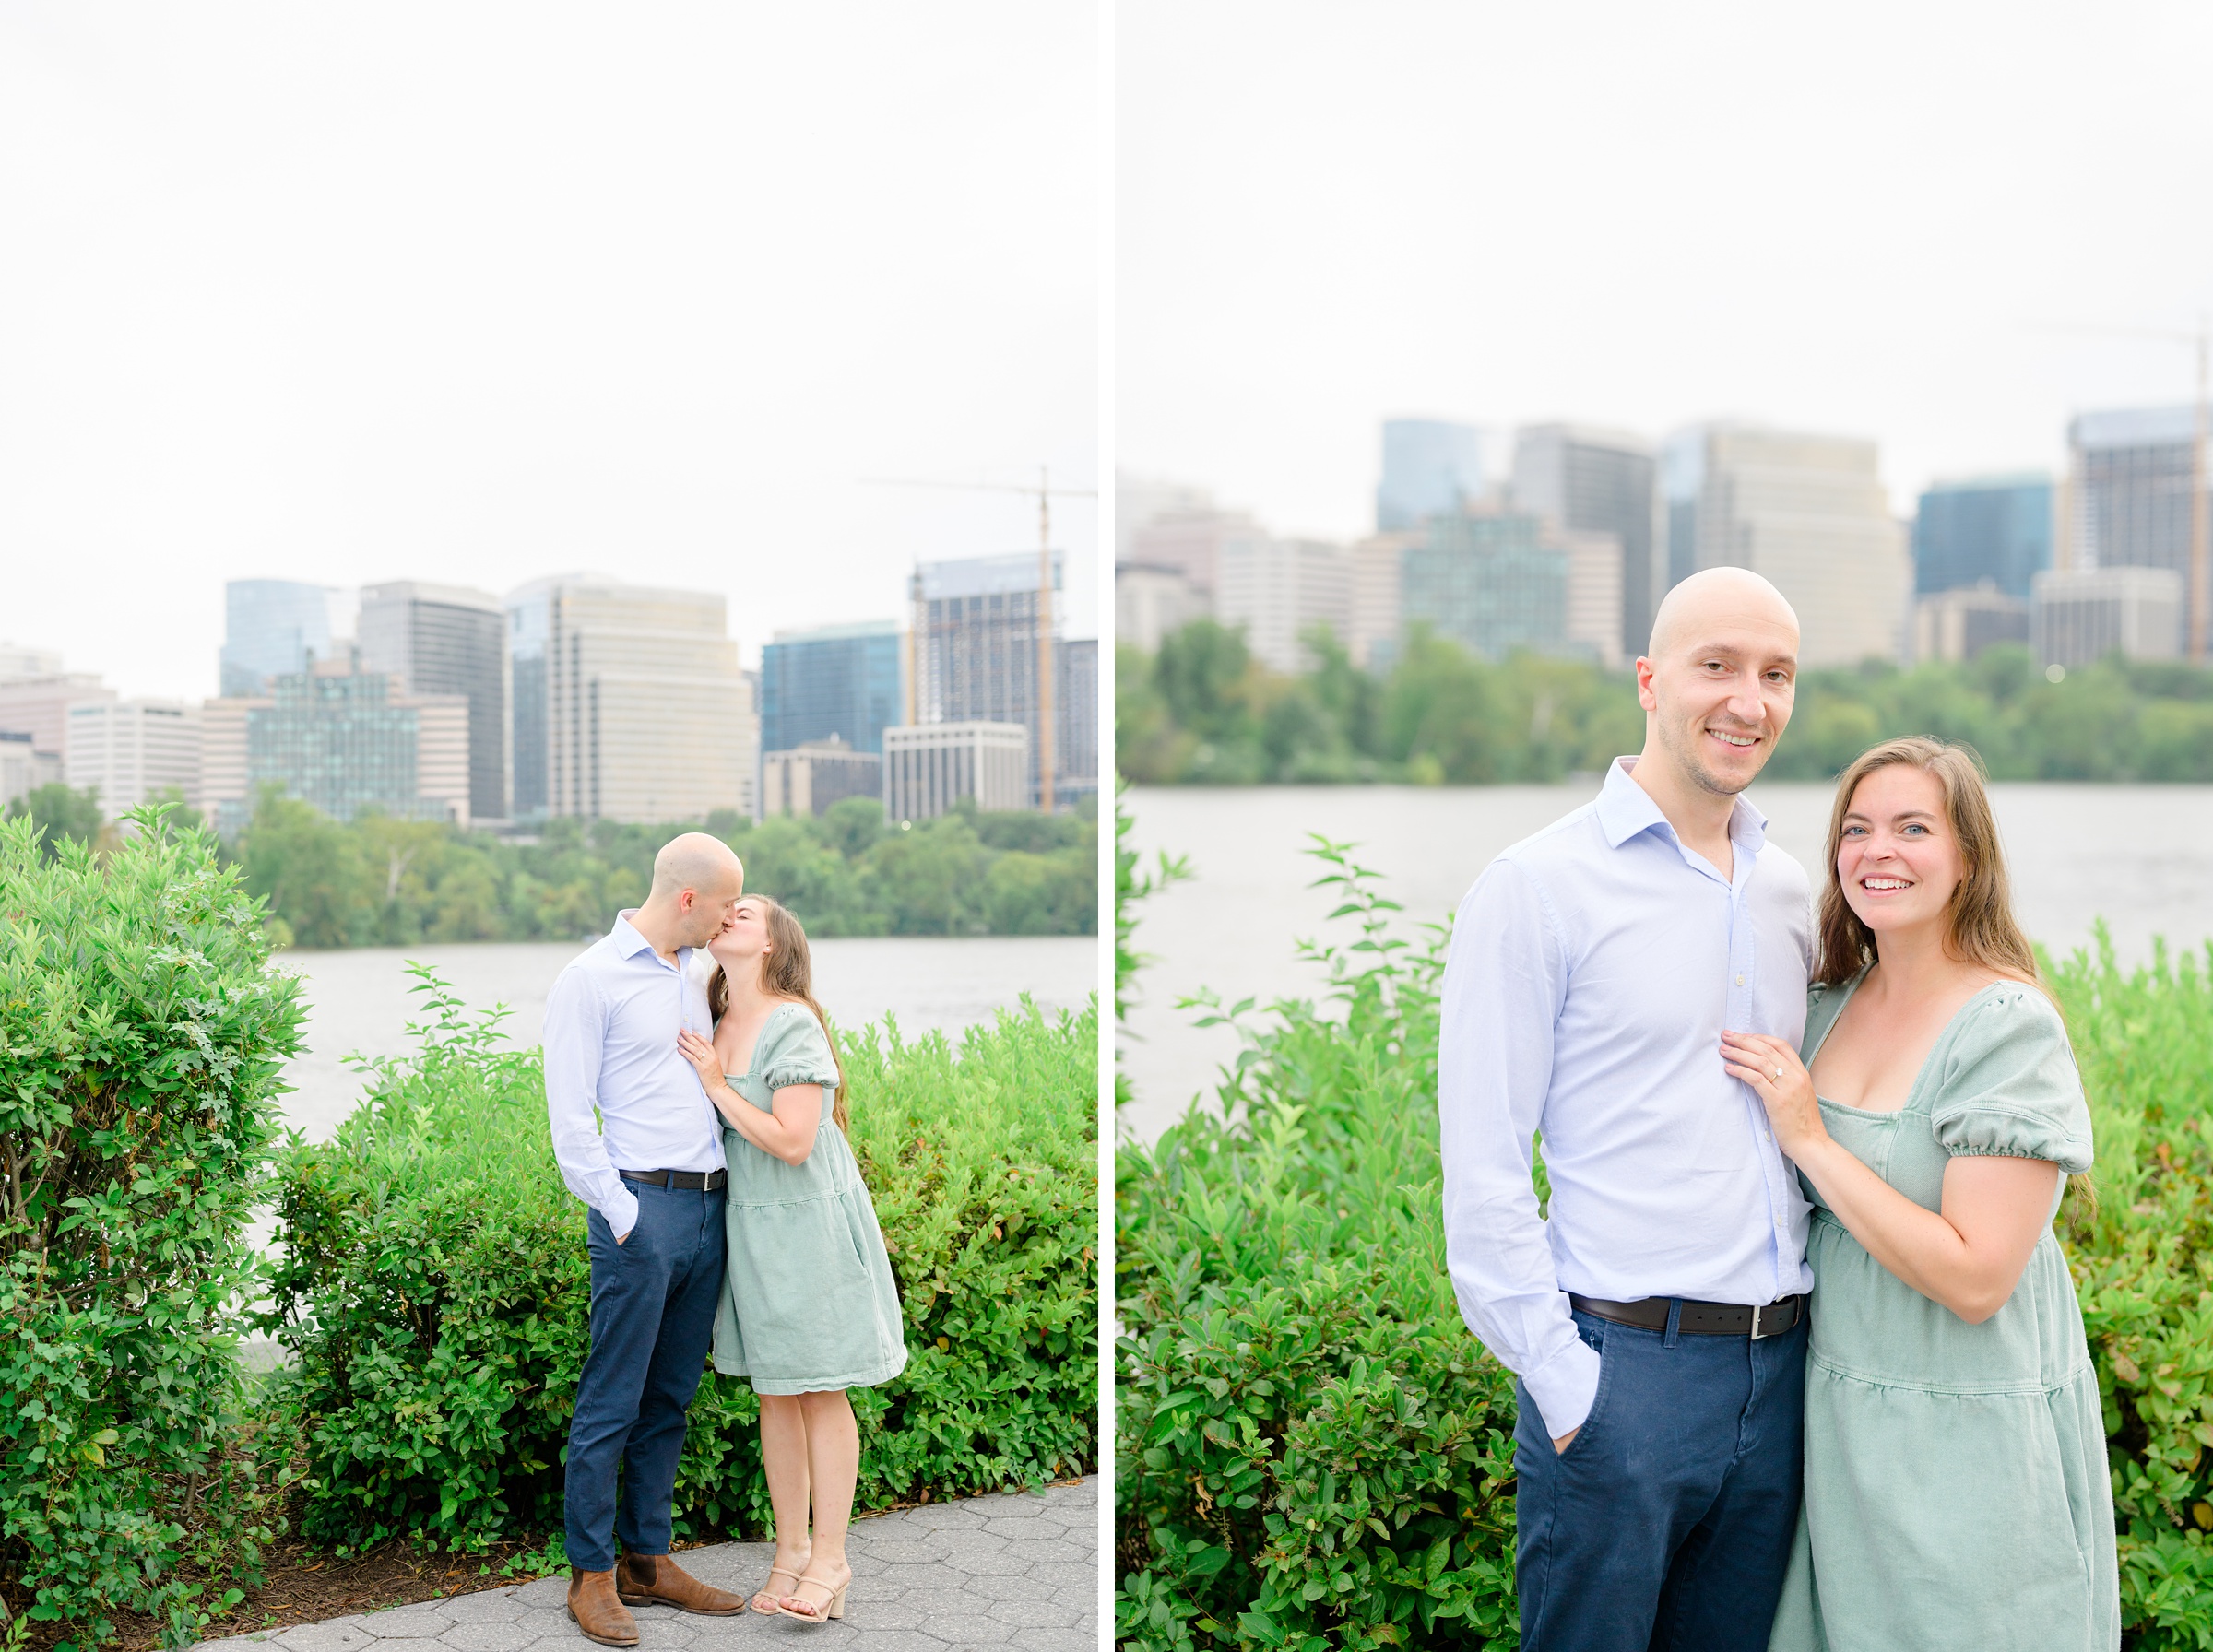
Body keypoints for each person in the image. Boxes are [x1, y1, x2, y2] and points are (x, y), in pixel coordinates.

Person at [1438, 566, 1814, 1651]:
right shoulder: (1537, 885)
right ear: (1650, 681)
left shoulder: (1790, 889)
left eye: (1776, 674)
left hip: (1780, 1376)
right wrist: (1569, 1390)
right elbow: (1485, 1168)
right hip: (1622, 1379)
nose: (1750, 700)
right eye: (1718, 667)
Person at [1722, 738, 2119, 1650]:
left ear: (1968, 859)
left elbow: (1979, 1277)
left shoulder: (2005, 1028)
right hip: (1837, 1430)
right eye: (1856, 829)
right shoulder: (1823, 1004)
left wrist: (1811, 1141)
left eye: (1912, 827)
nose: (1878, 850)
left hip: (1967, 1440)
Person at [677, 893, 906, 1626]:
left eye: (745, 913)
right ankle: (792, 1554)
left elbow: (792, 1140)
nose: (727, 916)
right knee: (776, 1391)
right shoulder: (715, 1017)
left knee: (819, 1388)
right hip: (753, 1224)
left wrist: (715, 1084)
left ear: (772, 943)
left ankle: (833, 1559)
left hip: (806, 1220)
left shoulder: (791, 1020)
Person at [544, 832, 751, 1646]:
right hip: (641, 1213)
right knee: (612, 1400)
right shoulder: (589, 979)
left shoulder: (702, 974)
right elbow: (570, 1124)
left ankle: (648, 1560)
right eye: (728, 901)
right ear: (690, 899)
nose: (734, 914)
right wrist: (625, 1216)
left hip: (709, 1210)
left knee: (670, 1398)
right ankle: (591, 1576)